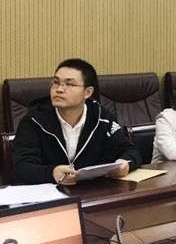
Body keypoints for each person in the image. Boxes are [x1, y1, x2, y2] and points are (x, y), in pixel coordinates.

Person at [12, 58, 141, 185]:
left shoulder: (102, 118)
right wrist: (52, 173)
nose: (59, 89)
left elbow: (131, 151)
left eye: (69, 84)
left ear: (88, 92)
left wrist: (124, 164)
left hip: (93, 192)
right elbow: (20, 168)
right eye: (56, 83)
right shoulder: (33, 120)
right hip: (51, 193)